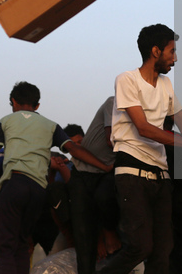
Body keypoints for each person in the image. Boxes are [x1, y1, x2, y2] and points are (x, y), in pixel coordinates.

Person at [97, 23, 182, 274]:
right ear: (155, 51)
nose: (175, 58)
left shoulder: (166, 85)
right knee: (140, 247)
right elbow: (144, 128)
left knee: (163, 251)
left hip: (161, 178)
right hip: (132, 175)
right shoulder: (127, 80)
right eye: (171, 52)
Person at [0, 81, 112, 274]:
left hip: (15, 184)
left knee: (5, 247)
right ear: (37, 106)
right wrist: (104, 165)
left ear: (13, 102)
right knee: (21, 244)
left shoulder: (6, 121)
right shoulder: (50, 125)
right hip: (37, 191)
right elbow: (74, 149)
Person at [66, 96, 121, 273]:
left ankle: (109, 230)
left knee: (105, 199)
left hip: (110, 171)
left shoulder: (144, 117)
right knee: (83, 235)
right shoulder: (114, 102)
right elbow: (111, 139)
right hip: (84, 173)